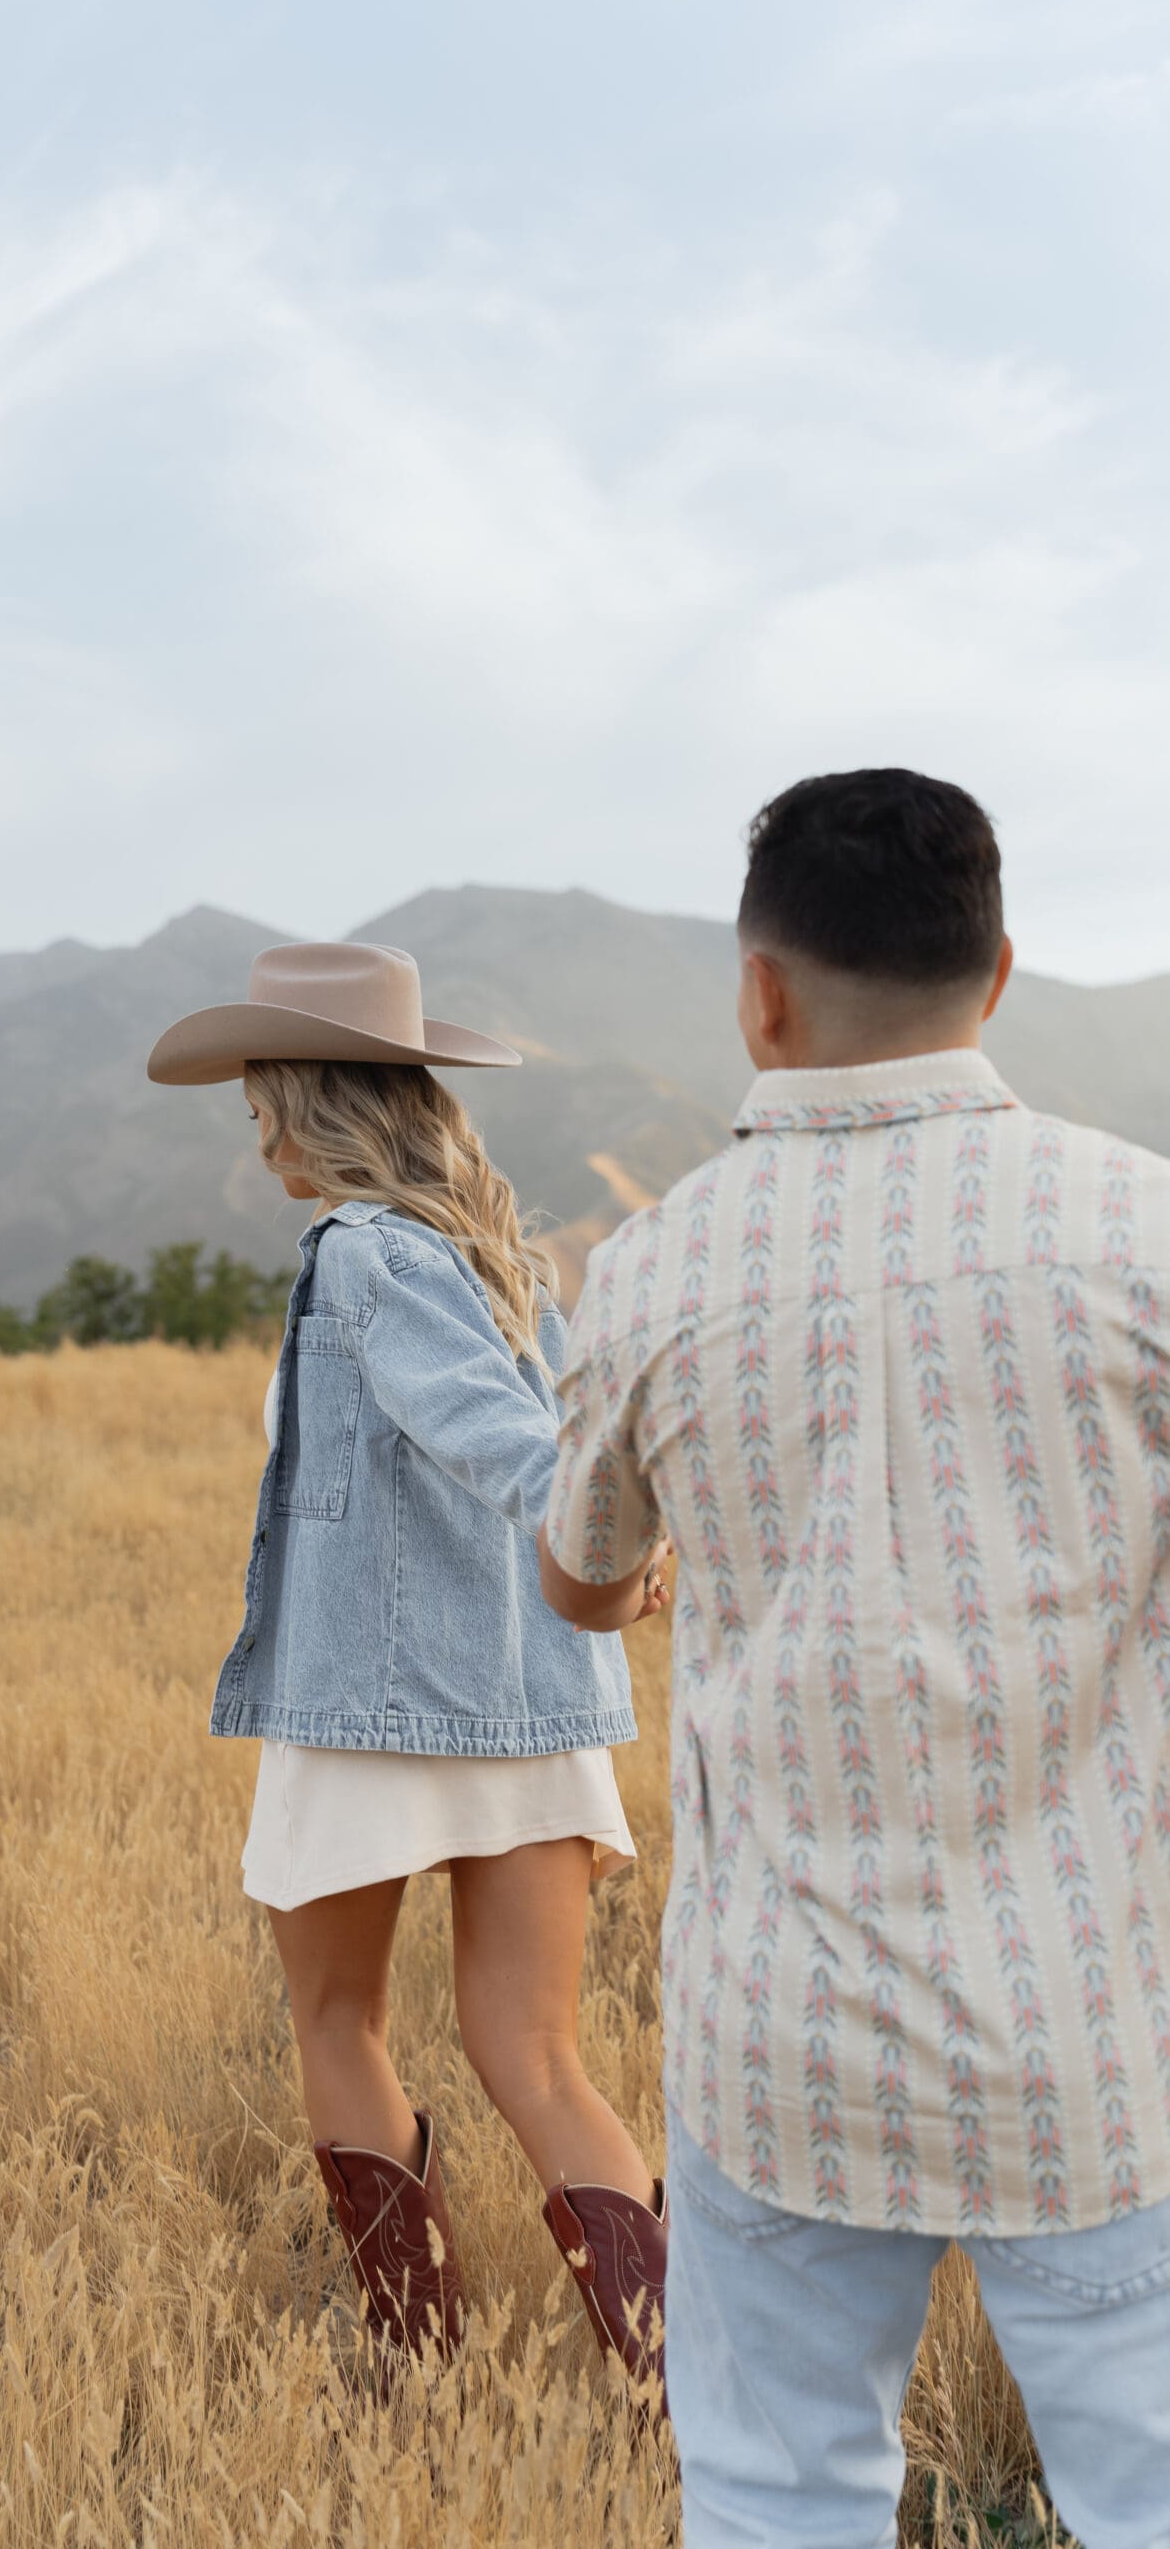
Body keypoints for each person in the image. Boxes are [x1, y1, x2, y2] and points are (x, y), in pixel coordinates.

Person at [541, 766, 1170, 2546]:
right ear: (997, 976)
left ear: (759, 992)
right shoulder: (1144, 1231)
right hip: (1090, 2025)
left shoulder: (654, 1271)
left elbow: (582, 1583)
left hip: (781, 2036)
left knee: (777, 2495)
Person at [147, 941, 672, 2390]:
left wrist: (598, 1535)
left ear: (314, 1103)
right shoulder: (503, 1263)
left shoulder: (363, 1254)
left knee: (338, 2018)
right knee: (542, 2058)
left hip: (372, 1705)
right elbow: (566, 1441)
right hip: (536, 1704)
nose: (256, 1136)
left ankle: (422, 2371)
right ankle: (679, 2382)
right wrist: (616, 1545)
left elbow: (490, 1439)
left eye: (264, 1102)